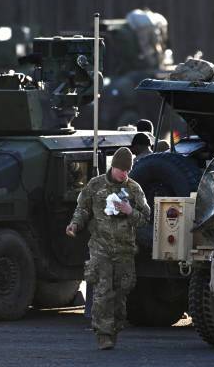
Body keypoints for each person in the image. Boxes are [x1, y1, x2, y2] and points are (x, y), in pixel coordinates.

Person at [66, 147, 150, 350]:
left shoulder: (134, 189)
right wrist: (75, 224)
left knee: (121, 291)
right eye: (122, 170)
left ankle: (115, 328)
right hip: (100, 247)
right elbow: (83, 208)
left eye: (128, 170)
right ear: (114, 167)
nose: (125, 174)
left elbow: (145, 218)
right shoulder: (95, 185)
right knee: (103, 291)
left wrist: (130, 211)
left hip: (124, 249)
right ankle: (103, 334)